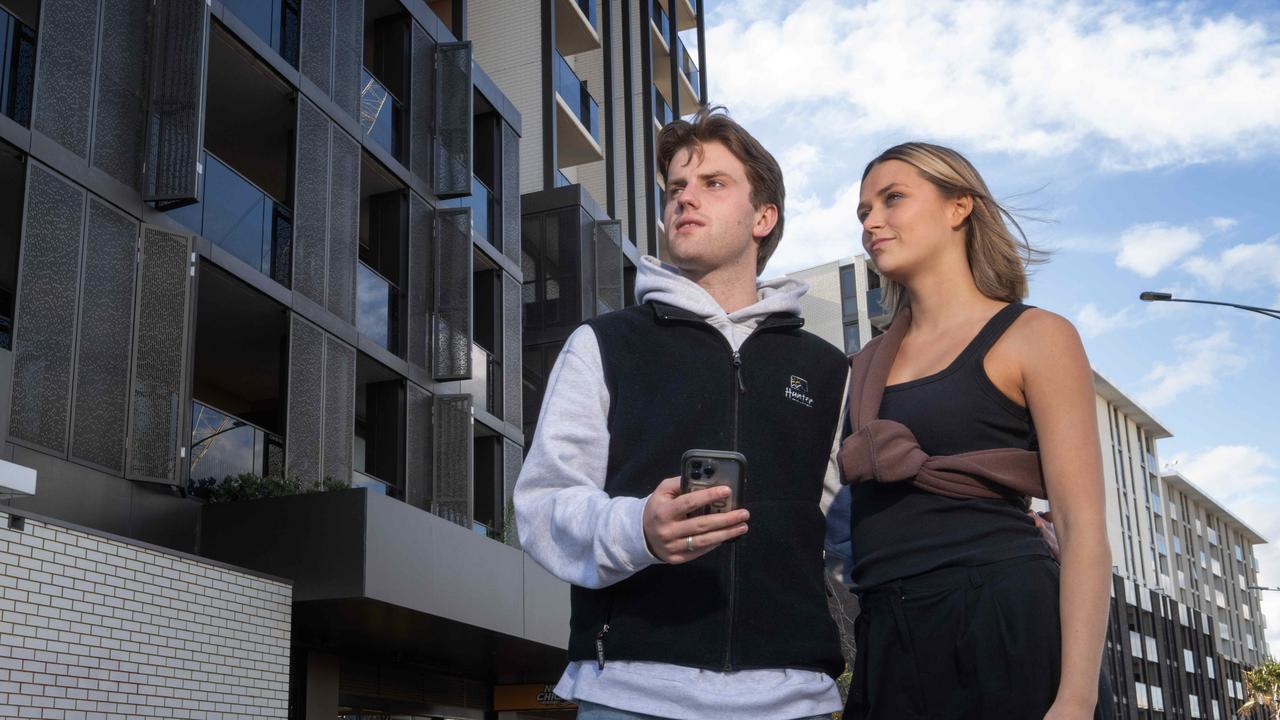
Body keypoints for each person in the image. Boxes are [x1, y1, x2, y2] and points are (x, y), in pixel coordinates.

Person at [514, 107, 849, 720]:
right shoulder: (603, 343)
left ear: (764, 217)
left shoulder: (829, 370)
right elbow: (542, 504)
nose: (685, 199)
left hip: (792, 700)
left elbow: (838, 533)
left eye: (713, 184)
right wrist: (638, 529)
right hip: (630, 694)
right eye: (675, 188)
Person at [840, 142, 1113, 719]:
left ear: (958, 207)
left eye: (892, 199)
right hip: (888, 636)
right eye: (863, 211)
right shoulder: (865, 365)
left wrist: (1076, 698)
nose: (872, 221)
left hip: (1003, 621)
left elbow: (1081, 524)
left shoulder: (1036, 335)